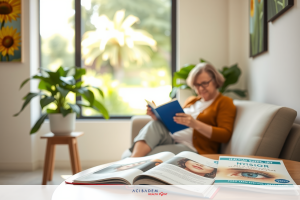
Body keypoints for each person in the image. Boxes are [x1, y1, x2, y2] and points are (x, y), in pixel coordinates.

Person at [123, 62, 236, 158]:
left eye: (204, 83)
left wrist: (195, 124)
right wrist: (157, 116)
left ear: (215, 81)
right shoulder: (192, 100)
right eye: (196, 85)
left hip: (192, 148)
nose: (200, 88)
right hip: (171, 138)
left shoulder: (224, 102)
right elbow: (175, 121)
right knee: (154, 124)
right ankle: (133, 161)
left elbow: (225, 135)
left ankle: (131, 164)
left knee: (145, 156)